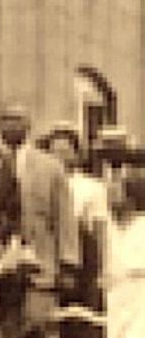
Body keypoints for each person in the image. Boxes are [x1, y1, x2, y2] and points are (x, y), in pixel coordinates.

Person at [0, 104, 79, 338]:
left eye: (17, 119)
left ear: (28, 125)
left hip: (42, 267)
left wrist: (67, 263)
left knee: (40, 326)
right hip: (3, 266)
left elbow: (64, 218)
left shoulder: (50, 167)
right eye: (5, 120)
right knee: (7, 328)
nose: (11, 125)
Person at [41, 122, 108, 338]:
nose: (59, 156)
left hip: (83, 254)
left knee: (81, 315)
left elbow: (98, 227)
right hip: (51, 252)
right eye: (53, 151)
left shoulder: (91, 187)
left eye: (64, 150)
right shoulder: (42, 182)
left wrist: (101, 266)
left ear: (76, 154)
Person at [104, 161, 145, 338]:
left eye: (117, 187)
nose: (110, 193)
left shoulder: (142, 228)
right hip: (118, 302)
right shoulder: (113, 228)